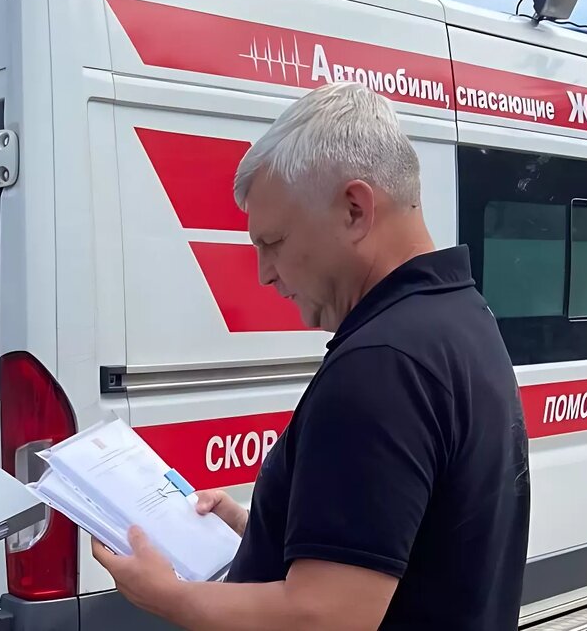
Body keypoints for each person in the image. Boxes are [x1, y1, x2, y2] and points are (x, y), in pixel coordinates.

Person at [93, 82, 531, 630]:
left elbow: (327, 616)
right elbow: (405, 543)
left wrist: (165, 596)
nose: (264, 273)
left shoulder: (381, 362)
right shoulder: (459, 316)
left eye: (272, 242)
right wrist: (266, 531)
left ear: (354, 209)